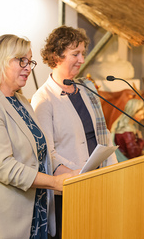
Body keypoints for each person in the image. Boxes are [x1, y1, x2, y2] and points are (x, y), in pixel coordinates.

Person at [0, 34, 80, 239]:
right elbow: (3, 167)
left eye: (30, 62)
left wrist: (72, 172)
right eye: (22, 61)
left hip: (33, 213)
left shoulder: (21, 101)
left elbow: (39, 153)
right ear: (0, 60)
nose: (28, 68)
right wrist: (55, 183)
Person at [31, 25, 118, 238]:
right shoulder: (43, 99)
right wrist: (79, 173)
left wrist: (114, 173)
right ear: (56, 56)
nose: (81, 59)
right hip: (70, 189)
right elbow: (47, 154)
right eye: (75, 54)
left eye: (82, 53)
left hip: (99, 182)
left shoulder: (87, 90)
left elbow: (102, 134)